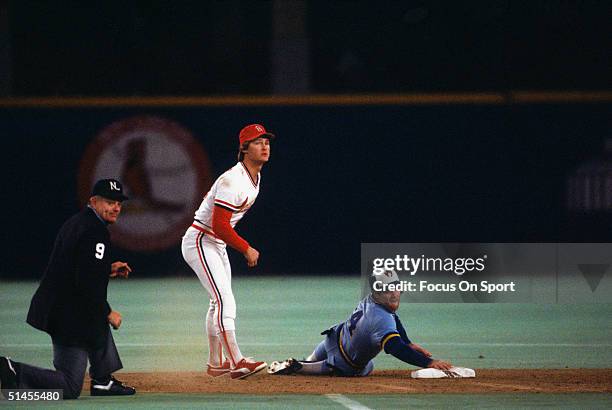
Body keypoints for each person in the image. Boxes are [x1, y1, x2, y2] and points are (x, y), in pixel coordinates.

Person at [0, 179, 136, 399]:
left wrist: (106, 268)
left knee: (94, 311)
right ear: (93, 201)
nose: (116, 207)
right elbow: (86, 282)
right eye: (110, 202)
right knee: (69, 388)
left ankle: (103, 381)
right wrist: (108, 312)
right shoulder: (94, 230)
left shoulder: (80, 222)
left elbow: (76, 266)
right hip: (66, 314)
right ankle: (13, 371)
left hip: (61, 307)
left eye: (119, 202)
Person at [181, 123, 274, 379]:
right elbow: (218, 225)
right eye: (258, 142)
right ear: (244, 148)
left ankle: (216, 363)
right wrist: (246, 248)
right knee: (225, 300)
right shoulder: (232, 180)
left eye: (267, 141)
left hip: (213, 242)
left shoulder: (254, 176)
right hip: (201, 240)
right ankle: (237, 362)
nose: (265, 145)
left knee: (218, 300)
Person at [268, 270, 453, 376]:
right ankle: (298, 366)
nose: (395, 293)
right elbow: (396, 348)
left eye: (396, 287)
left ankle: (302, 363)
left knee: (311, 360)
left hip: (332, 338)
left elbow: (394, 318)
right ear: (378, 292)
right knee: (365, 368)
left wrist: (409, 342)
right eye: (388, 289)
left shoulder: (372, 300)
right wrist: (429, 362)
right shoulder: (381, 319)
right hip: (343, 364)